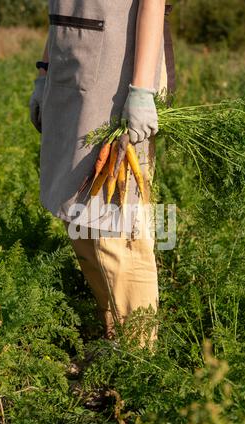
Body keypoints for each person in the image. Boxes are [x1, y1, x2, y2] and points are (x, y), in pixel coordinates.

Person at [29, 0, 175, 351]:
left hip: (119, 72)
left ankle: (140, 360)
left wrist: (141, 91)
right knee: (78, 217)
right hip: (70, 67)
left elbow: (152, 4)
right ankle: (114, 335)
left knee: (117, 229)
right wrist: (44, 72)